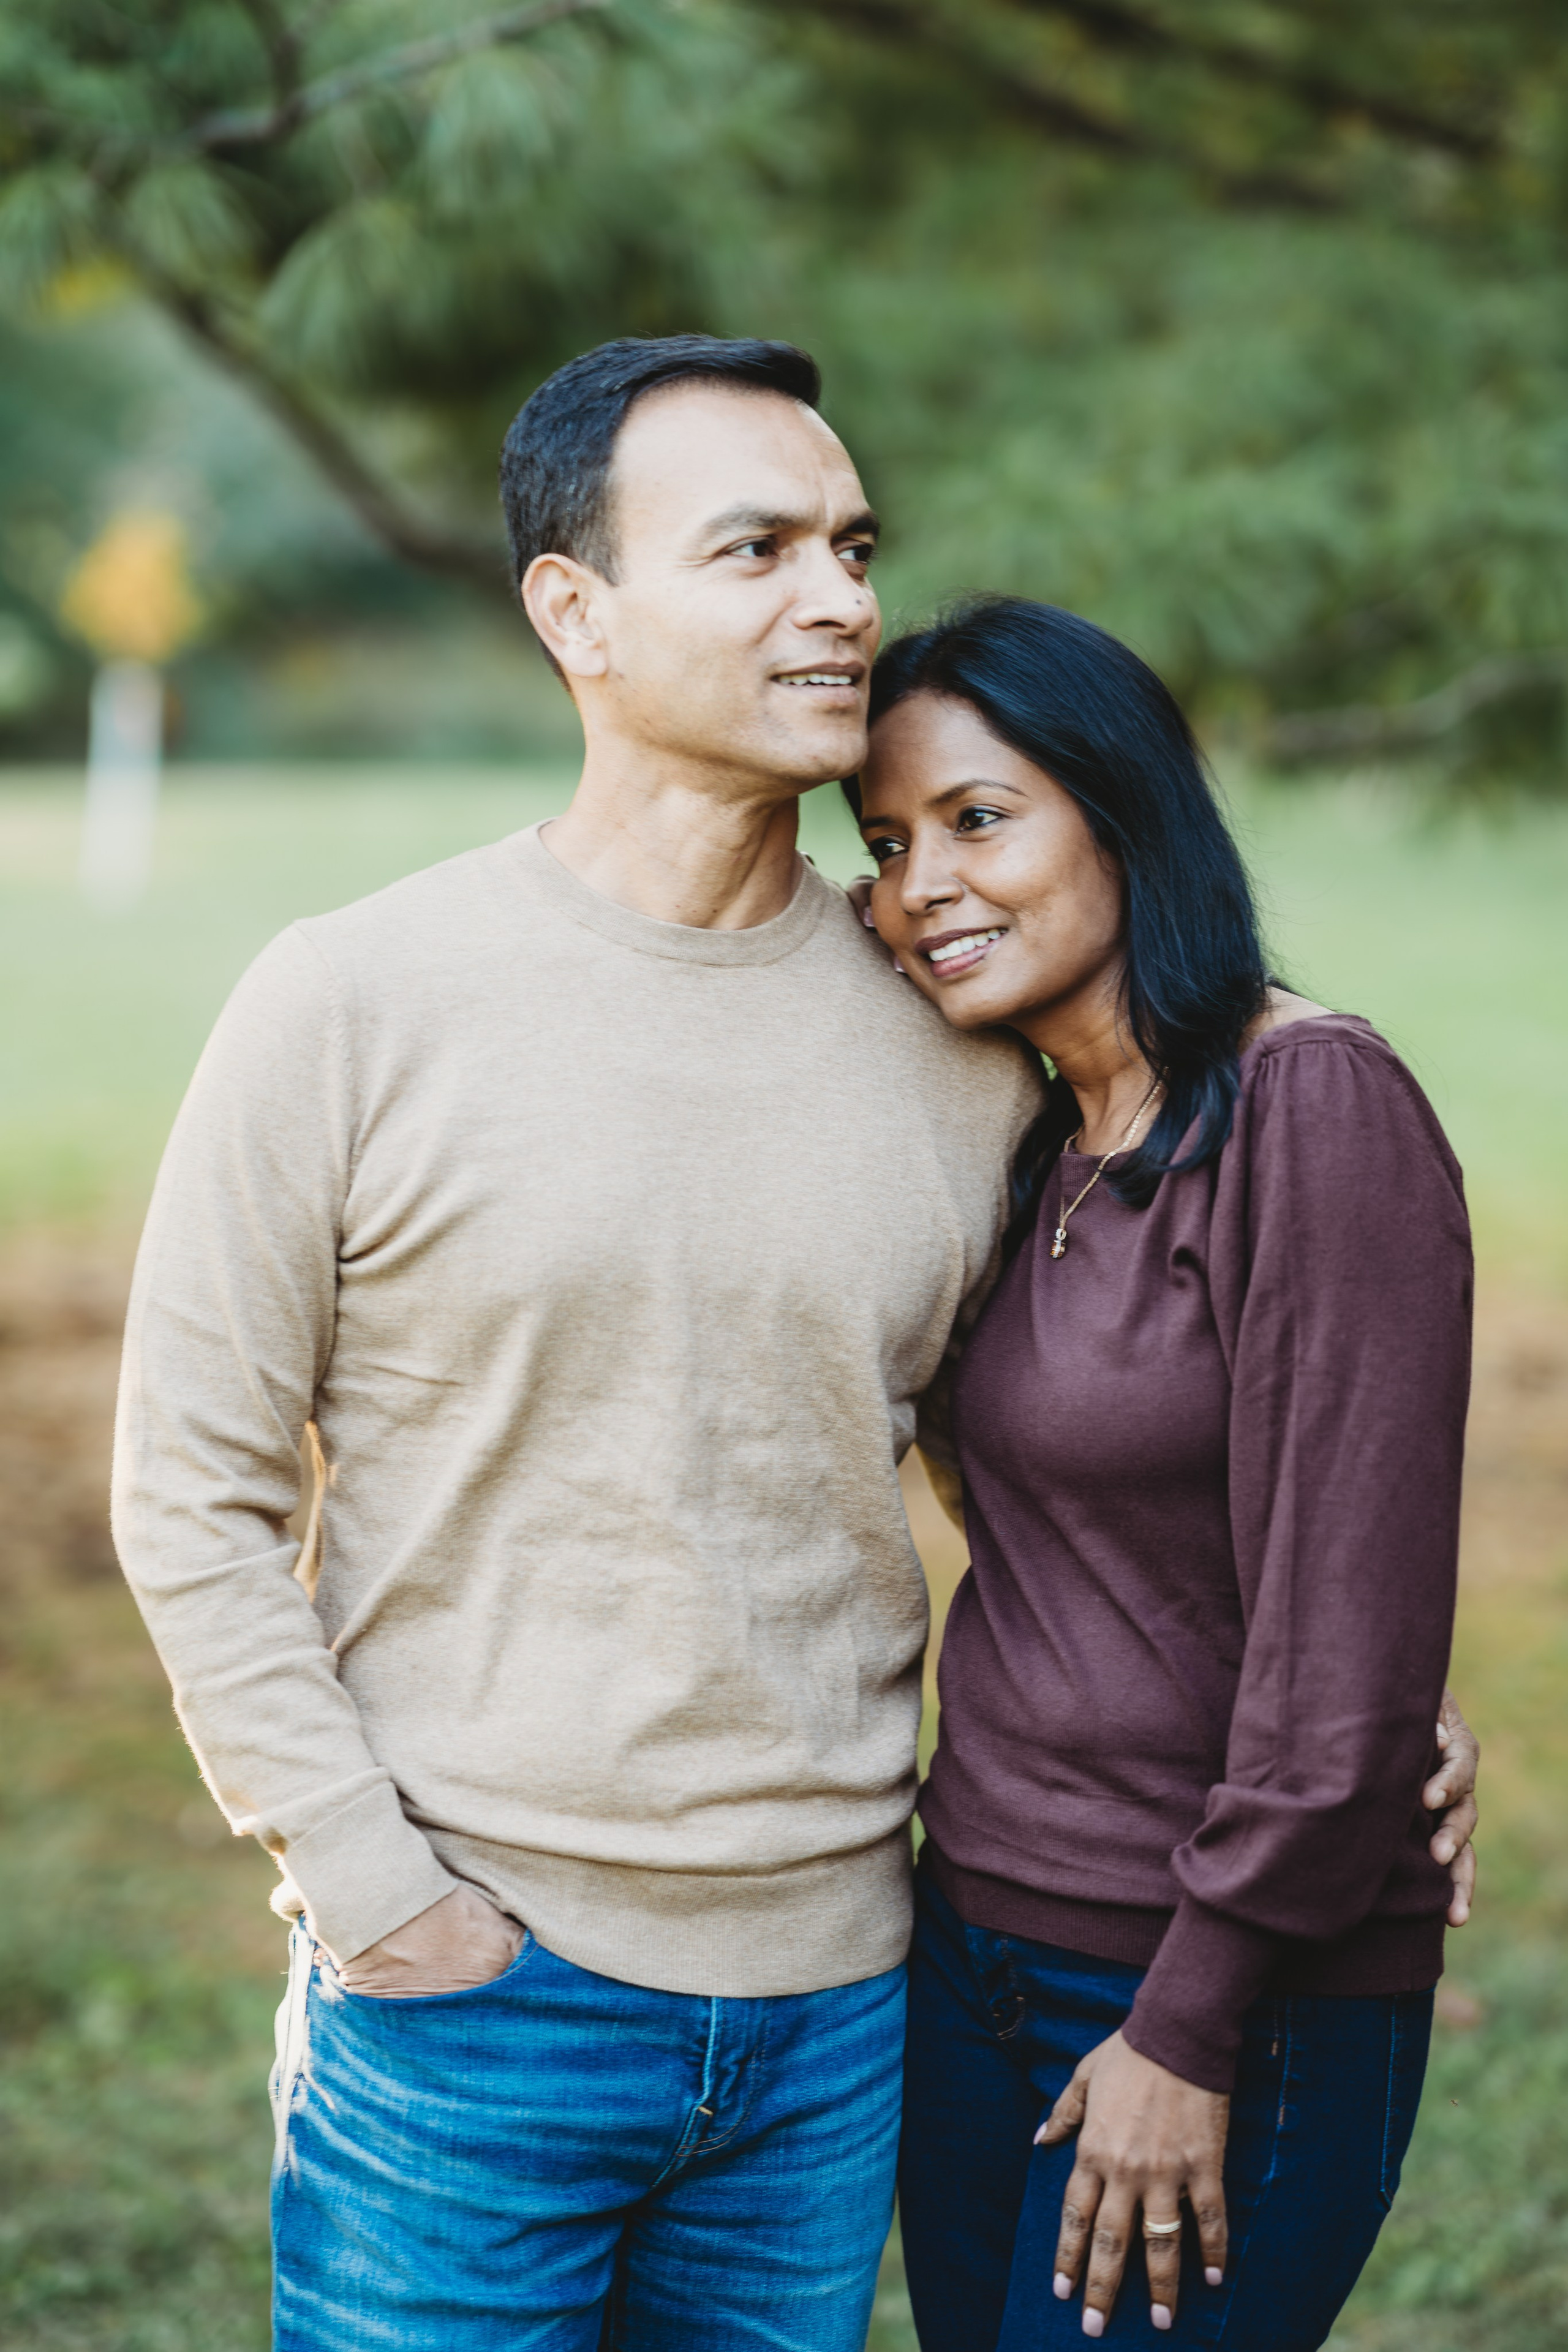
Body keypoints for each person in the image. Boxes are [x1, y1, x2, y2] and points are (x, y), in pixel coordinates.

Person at [111, 338, 1477, 2351]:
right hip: (475, 2001)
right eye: (755, 548)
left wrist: (1343, 1744)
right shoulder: (351, 1002)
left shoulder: (952, 1031)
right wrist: (371, 1889)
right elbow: (188, 1489)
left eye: (852, 543)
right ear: (575, 611)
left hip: (842, 2005)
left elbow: (1074, 1432)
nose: (838, 597)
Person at [849, 598, 1476, 2350]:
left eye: (980, 819)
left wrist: (1190, 2023)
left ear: (1125, 812)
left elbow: (1344, 1647)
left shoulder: (1311, 1112)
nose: (920, 888)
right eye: (885, 844)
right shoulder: (1033, 1132)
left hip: (1215, 1989)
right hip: (974, 1941)